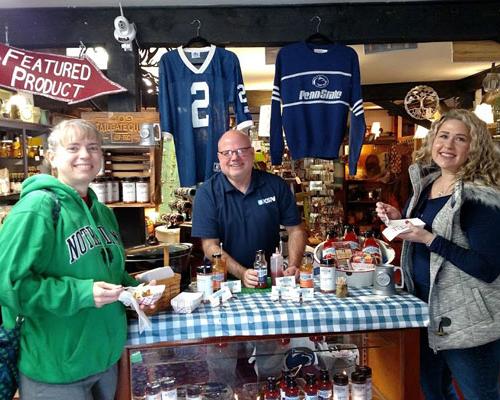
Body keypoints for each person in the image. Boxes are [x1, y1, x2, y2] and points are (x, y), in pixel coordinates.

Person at [0, 119, 143, 400]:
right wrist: (81, 293)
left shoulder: (102, 211)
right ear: (52, 157)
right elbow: (10, 286)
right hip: (57, 369)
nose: (85, 155)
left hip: (105, 359)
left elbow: (108, 274)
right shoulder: (37, 207)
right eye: (73, 147)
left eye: (93, 147)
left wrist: (135, 287)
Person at [375, 109, 500, 400]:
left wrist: (429, 238)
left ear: (475, 147)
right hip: (426, 309)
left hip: (469, 319)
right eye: (443, 136)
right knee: (433, 390)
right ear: (433, 140)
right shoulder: (429, 185)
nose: (448, 145)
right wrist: (400, 218)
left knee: (479, 394)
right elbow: (426, 230)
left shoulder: (481, 196)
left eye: (460, 139)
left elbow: (488, 267)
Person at [192, 129, 306, 287]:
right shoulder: (206, 193)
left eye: (241, 151)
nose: (234, 158)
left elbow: (296, 230)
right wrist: (242, 273)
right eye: (227, 153)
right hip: (224, 283)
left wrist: (293, 265)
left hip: (269, 280)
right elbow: (210, 246)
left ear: (252, 153)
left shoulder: (275, 185)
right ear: (219, 157)